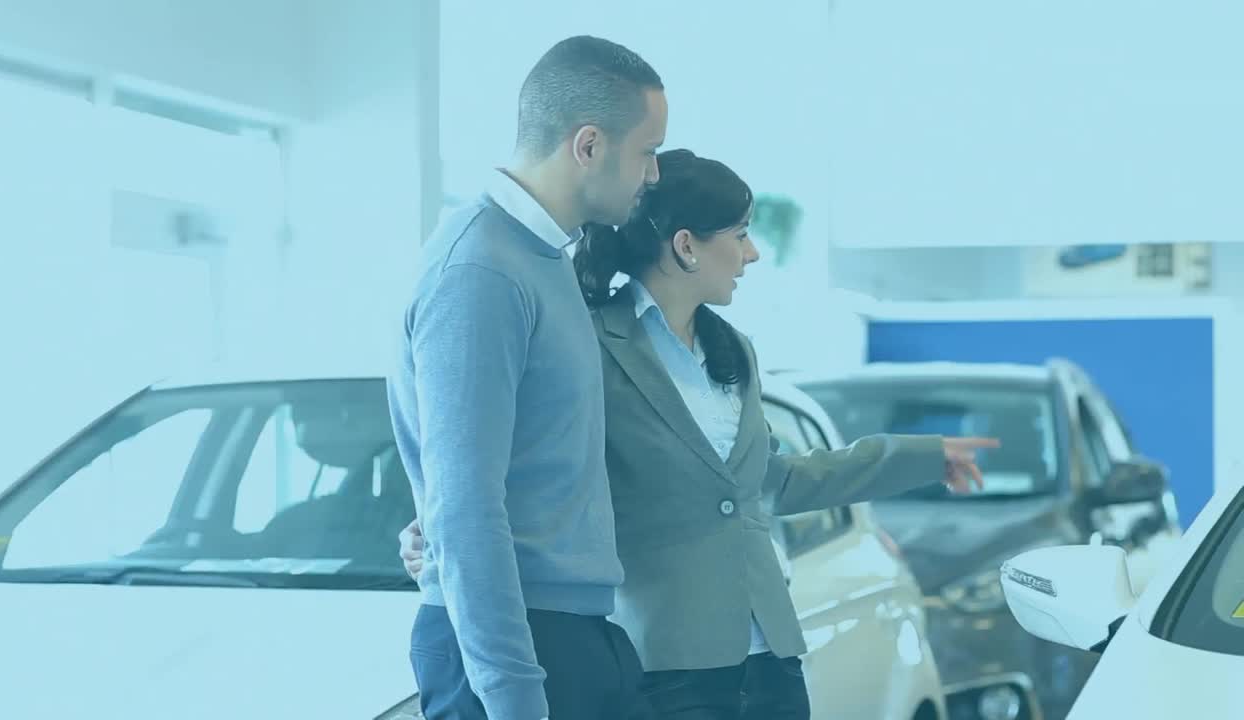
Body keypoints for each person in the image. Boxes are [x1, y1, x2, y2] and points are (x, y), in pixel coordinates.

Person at [400, 148, 1000, 719]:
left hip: (771, 656)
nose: (754, 253)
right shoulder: (587, 344)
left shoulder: (732, 350)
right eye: (740, 235)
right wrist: (433, 533)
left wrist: (920, 457)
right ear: (686, 246)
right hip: (665, 662)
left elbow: (776, 480)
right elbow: (526, 463)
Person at [386, 36, 666, 720]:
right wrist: (513, 697)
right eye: (647, 152)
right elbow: (465, 505)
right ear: (589, 145)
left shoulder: (543, 259)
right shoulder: (479, 270)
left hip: (572, 633)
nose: (653, 174)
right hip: (518, 651)